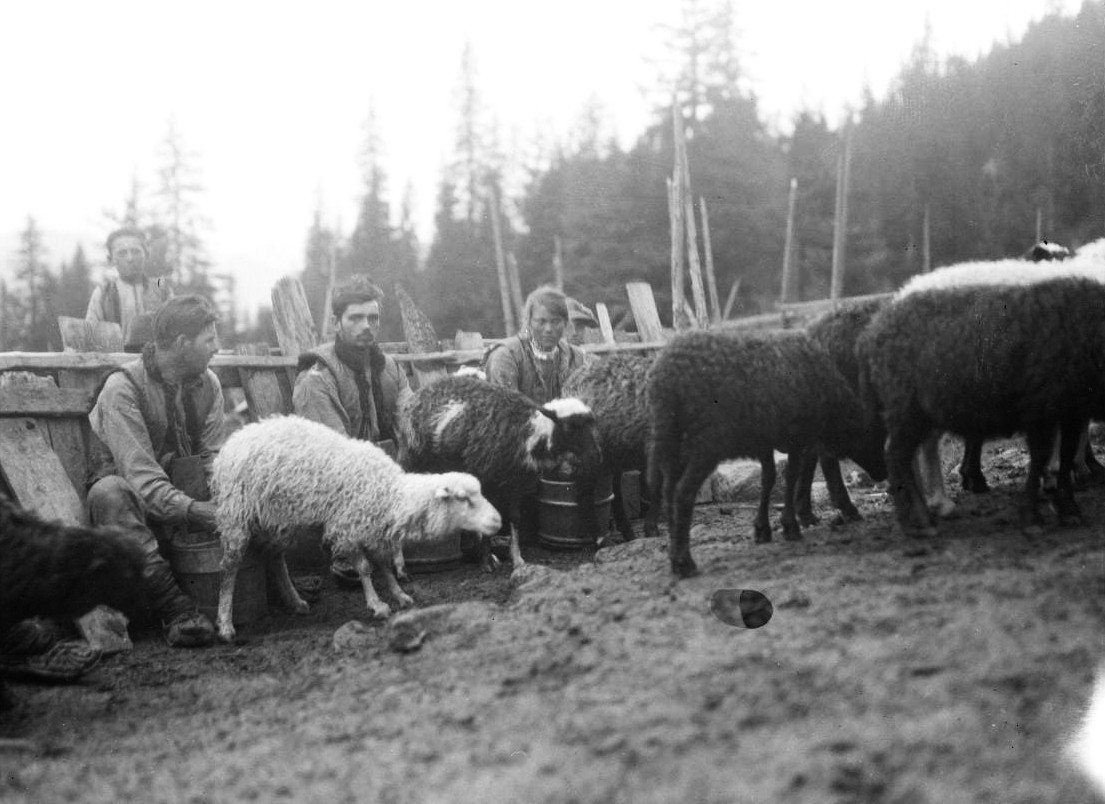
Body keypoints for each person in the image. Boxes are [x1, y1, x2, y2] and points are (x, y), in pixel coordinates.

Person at [86, 295, 224, 647]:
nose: (217, 348)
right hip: (130, 524)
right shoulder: (122, 390)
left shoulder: (207, 384)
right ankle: (175, 609)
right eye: (209, 340)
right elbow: (141, 480)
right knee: (110, 492)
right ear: (181, 344)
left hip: (181, 510)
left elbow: (212, 457)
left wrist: (226, 497)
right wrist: (199, 512)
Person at [292, 276, 413, 584]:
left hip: (380, 475)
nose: (366, 326)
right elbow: (334, 457)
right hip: (332, 486)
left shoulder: (389, 369)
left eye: (373, 318)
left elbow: (412, 421)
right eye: (356, 318)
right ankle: (344, 550)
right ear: (336, 322)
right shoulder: (316, 379)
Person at [484, 285, 591, 405]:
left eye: (555, 322)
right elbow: (504, 411)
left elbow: (583, 405)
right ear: (529, 322)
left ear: (565, 323)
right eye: (541, 322)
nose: (548, 329)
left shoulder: (575, 358)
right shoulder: (506, 357)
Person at [86, 227, 173, 346]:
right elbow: (90, 337)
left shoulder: (161, 288)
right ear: (110, 259)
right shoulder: (103, 294)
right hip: (116, 362)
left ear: (146, 254)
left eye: (136, 251)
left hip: (156, 362)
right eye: (122, 253)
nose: (130, 258)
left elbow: (176, 329)